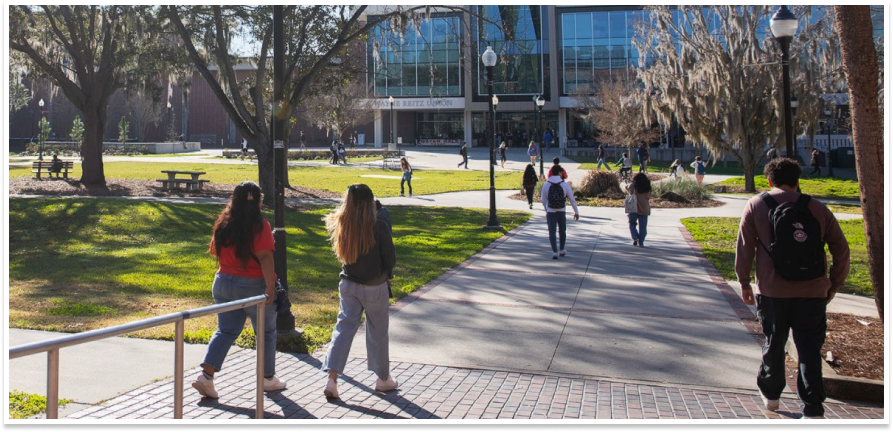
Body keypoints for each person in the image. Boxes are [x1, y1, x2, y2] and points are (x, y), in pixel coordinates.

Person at [734, 158, 850, 420]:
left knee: (774, 342)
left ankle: (772, 395)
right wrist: (834, 283)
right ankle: (813, 408)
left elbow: (745, 247)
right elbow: (841, 249)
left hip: (772, 290)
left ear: (769, 181)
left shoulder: (756, 205)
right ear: (798, 181)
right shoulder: (817, 208)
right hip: (813, 291)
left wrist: (744, 282)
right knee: (809, 349)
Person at [192, 181, 286, 399]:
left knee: (225, 331)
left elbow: (215, 251)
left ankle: (206, 377)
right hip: (253, 285)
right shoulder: (261, 226)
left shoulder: (223, 224)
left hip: (223, 282)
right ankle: (267, 377)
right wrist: (270, 287)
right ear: (258, 201)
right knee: (266, 332)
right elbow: (266, 257)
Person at [322, 184, 398, 399]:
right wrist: (388, 274)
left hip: (349, 283)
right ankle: (383, 378)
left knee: (343, 329)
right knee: (378, 331)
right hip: (374, 286)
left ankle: (332, 378)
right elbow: (389, 258)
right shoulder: (379, 225)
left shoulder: (343, 223)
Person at [541, 165, 579, 259]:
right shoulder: (565, 185)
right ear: (559, 173)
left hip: (551, 211)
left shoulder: (546, 185)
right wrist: (576, 211)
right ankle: (562, 249)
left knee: (552, 231)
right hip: (561, 210)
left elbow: (543, 199)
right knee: (562, 231)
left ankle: (554, 251)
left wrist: (547, 209)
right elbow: (572, 199)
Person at [626, 172, 651, 247]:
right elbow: (648, 197)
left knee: (632, 223)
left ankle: (635, 236)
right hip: (644, 208)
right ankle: (641, 241)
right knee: (643, 226)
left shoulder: (633, 186)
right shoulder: (647, 187)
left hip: (633, 207)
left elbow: (629, 190)